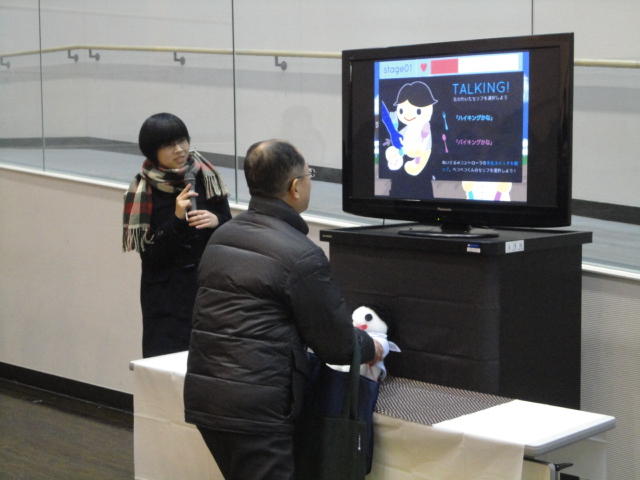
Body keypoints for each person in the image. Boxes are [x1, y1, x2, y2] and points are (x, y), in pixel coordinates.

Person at [183, 139, 383, 480]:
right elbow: (335, 343)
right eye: (308, 174)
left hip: (208, 396)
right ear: (294, 187)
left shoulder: (223, 236)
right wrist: (371, 347)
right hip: (258, 406)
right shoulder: (300, 255)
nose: (310, 182)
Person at [122, 113, 231, 358]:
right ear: (152, 151)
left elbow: (230, 229)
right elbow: (151, 256)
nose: (180, 149)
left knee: (212, 361)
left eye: (182, 140)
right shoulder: (143, 190)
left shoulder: (206, 176)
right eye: (169, 145)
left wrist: (217, 221)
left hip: (208, 288)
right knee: (167, 362)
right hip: (167, 298)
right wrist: (177, 219)